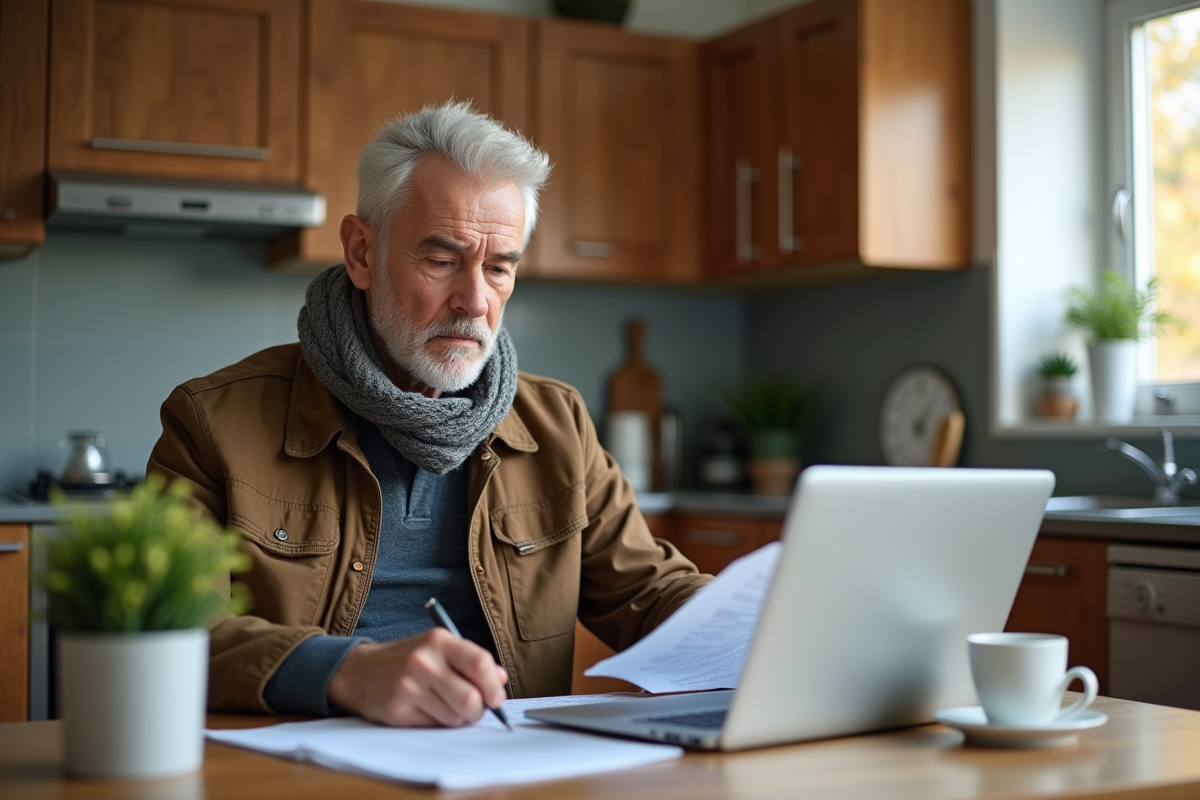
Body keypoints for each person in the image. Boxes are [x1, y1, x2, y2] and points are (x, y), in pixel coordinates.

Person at [148, 101, 709, 728]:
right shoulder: (212, 421)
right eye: (442, 261)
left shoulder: (559, 422)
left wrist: (759, 623)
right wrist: (347, 670)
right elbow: (171, 630)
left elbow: (647, 593)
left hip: (505, 767)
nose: (474, 301)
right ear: (361, 252)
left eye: (499, 268)